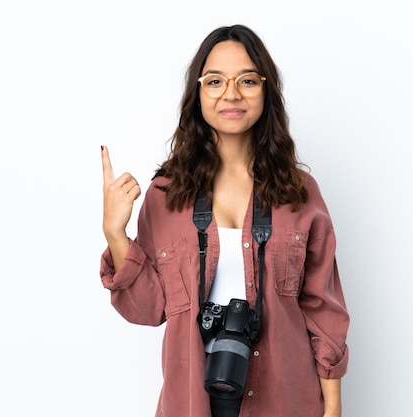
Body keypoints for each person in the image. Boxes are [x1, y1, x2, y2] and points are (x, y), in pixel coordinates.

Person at [99, 24, 349, 417]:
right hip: (191, 402)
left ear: (266, 90)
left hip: (286, 400)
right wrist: (115, 233)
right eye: (215, 80)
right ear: (198, 93)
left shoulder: (300, 193)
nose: (231, 93)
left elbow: (323, 309)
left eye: (247, 80)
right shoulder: (167, 194)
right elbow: (148, 310)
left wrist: (332, 408)